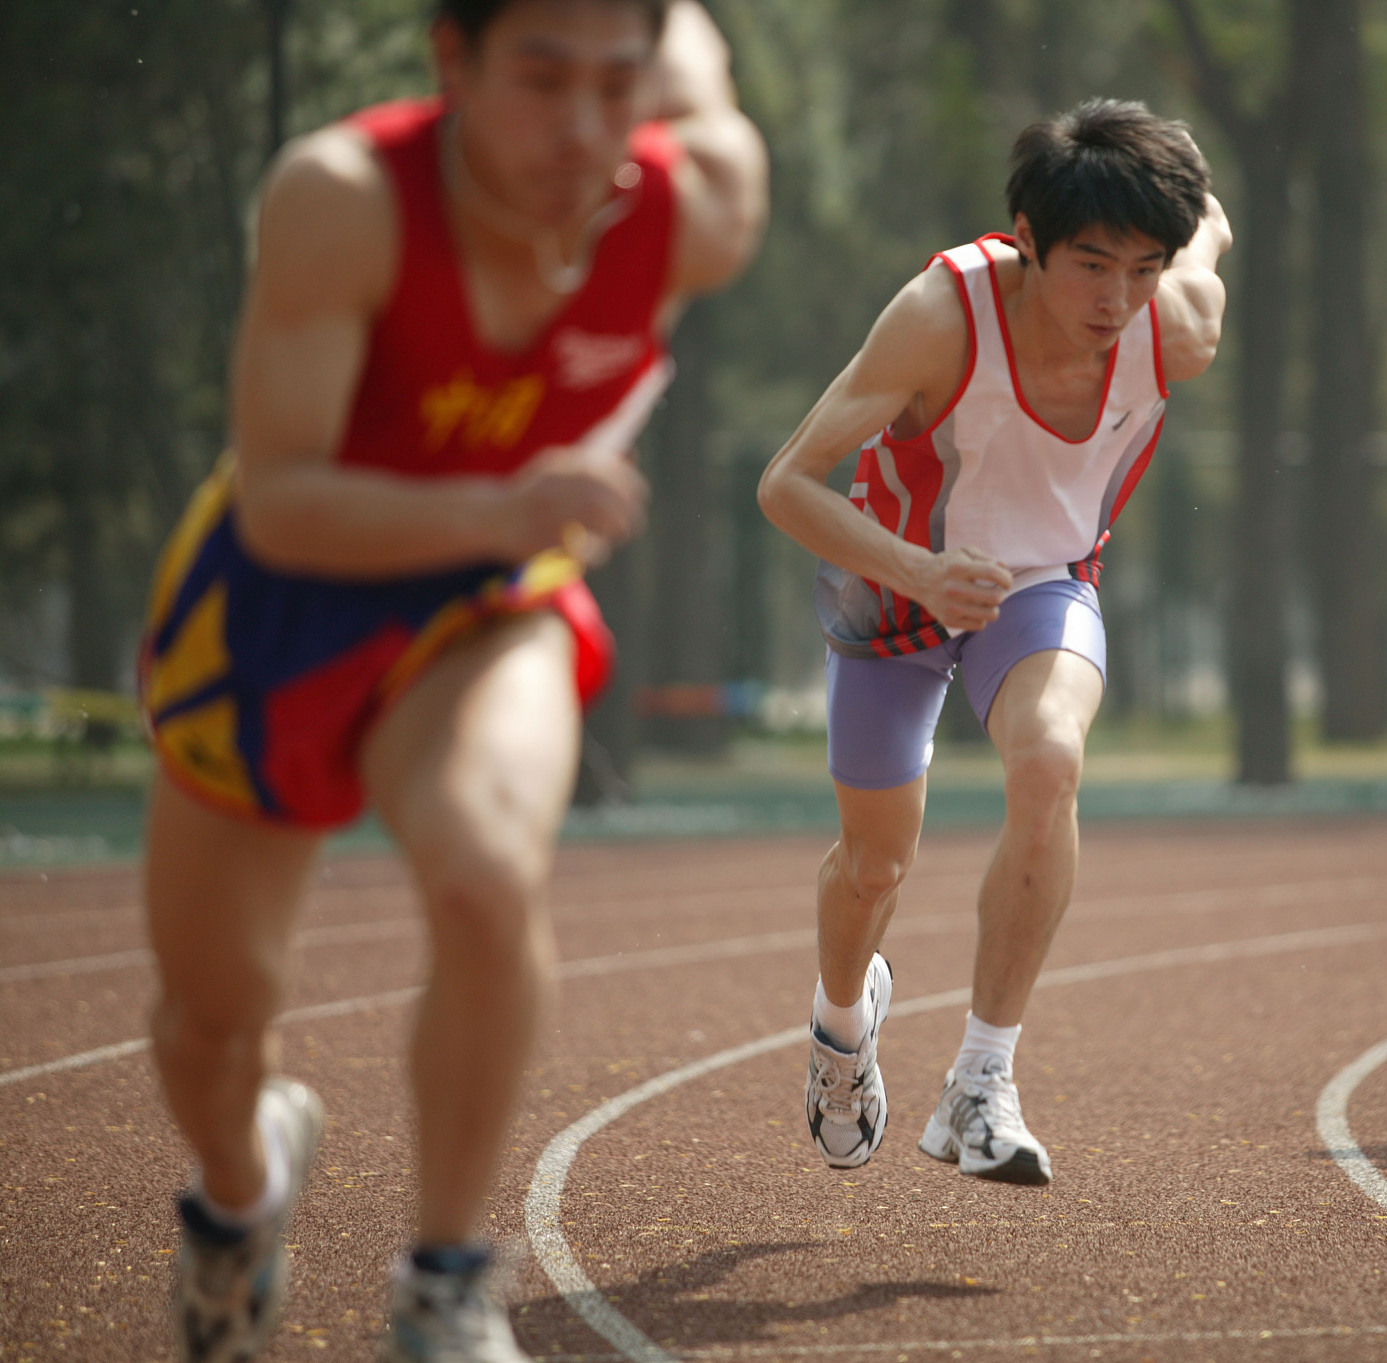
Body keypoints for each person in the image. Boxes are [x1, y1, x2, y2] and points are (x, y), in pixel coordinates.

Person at [137, 2, 765, 1358]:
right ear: (450, 62)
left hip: (486, 604)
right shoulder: (342, 197)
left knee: (488, 870)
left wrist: (509, 528)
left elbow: (700, 86)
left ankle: (444, 1282)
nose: (585, 130)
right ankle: (242, 1195)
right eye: (540, 81)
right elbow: (286, 505)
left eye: (617, 84)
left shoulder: (692, 207)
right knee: (209, 1020)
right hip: (281, 604)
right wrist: (508, 501)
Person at [756, 100, 1229, 1185]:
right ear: (1025, 234)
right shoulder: (937, 315)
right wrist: (916, 570)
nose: (1117, 301)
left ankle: (980, 1079)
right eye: (1091, 265)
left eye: (1143, 267)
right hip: (894, 584)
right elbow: (783, 482)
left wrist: (1187, 222)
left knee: (1050, 759)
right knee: (874, 864)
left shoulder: (1178, 322)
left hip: (1042, 584)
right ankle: (840, 1029)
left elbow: (1211, 229)